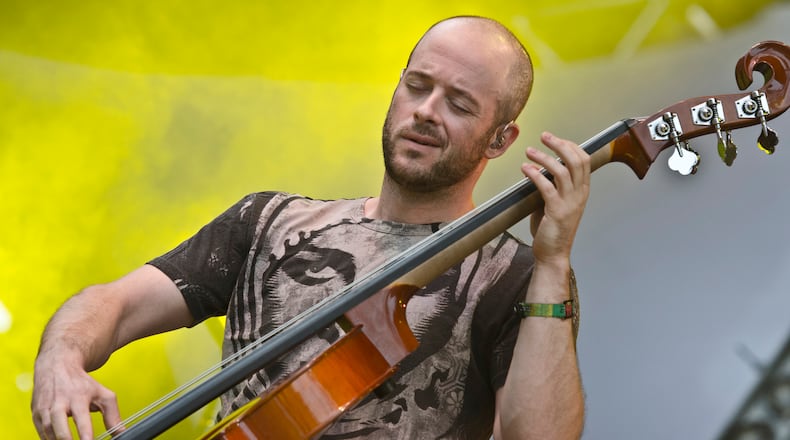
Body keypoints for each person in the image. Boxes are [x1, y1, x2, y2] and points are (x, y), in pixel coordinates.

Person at [32, 15, 588, 440]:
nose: (426, 111)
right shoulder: (271, 221)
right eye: (418, 86)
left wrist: (554, 262)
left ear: (500, 139)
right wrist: (61, 360)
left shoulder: (519, 276)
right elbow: (114, 304)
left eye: (459, 104)